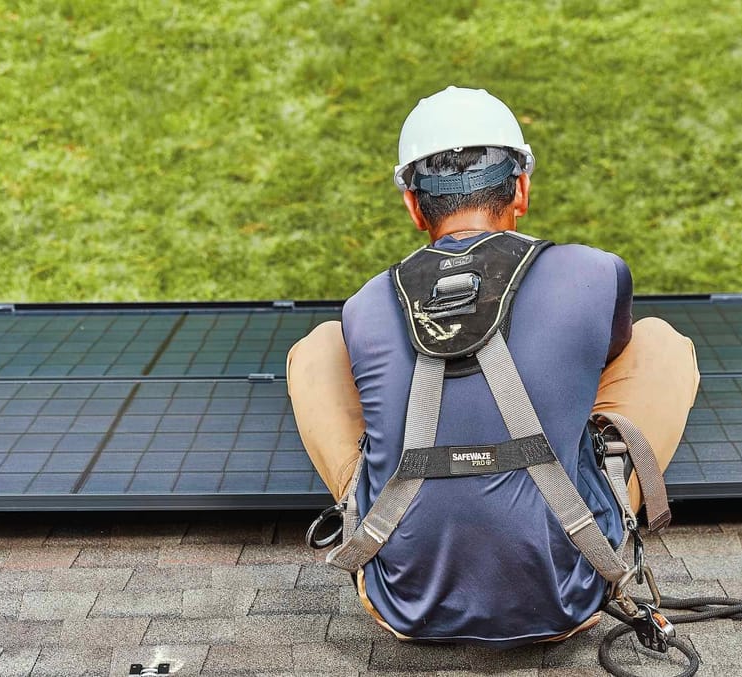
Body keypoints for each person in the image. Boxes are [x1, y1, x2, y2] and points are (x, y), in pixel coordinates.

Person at [287, 86, 699, 647]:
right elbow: (610, 356)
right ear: (522, 189)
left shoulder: (368, 303)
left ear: (413, 205)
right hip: (572, 590)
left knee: (319, 348)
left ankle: (367, 511)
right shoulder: (597, 272)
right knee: (660, 343)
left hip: (402, 602)